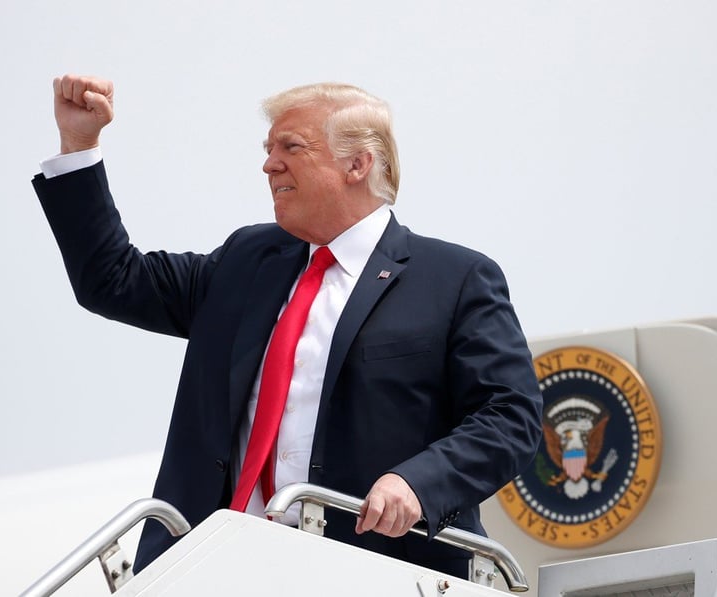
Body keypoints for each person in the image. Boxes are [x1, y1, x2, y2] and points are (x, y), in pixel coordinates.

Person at [32, 74, 543, 578]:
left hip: (369, 570)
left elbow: (510, 416)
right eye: (268, 147)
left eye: (291, 146)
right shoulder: (245, 261)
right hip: (216, 568)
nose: (268, 163)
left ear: (358, 164)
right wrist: (80, 144)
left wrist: (417, 484)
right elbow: (113, 280)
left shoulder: (454, 279)